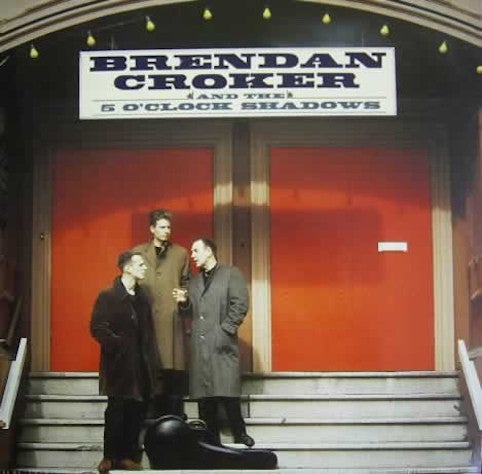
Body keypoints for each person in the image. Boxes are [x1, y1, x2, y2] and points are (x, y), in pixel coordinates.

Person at [172, 238, 255, 447]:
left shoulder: (231, 273)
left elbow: (240, 304)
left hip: (222, 343)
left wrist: (225, 330)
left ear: (209, 251)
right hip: (200, 345)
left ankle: (239, 434)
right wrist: (184, 303)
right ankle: (210, 441)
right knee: (205, 396)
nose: (192, 255)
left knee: (228, 392)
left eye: (196, 250)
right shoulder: (194, 283)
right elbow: (191, 313)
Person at [90, 251, 163, 473]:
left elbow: (148, 333)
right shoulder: (108, 295)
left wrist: (150, 360)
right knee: (116, 411)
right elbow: (97, 327)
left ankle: (127, 457)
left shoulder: (142, 298)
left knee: (136, 411)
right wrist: (119, 345)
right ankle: (109, 457)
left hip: (140, 364)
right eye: (140, 264)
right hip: (119, 365)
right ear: (127, 268)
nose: (144, 268)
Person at [133, 209, 190, 417]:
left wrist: (184, 297)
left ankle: (172, 419)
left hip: (170, 319)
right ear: (152, 229)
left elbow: (187, 284)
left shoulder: (180, 254)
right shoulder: (138, 253)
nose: (167, 231)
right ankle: (148, 419)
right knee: (147, 369)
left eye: (169, 227)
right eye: (162, 227)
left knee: (171, 372)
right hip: (145, 320)